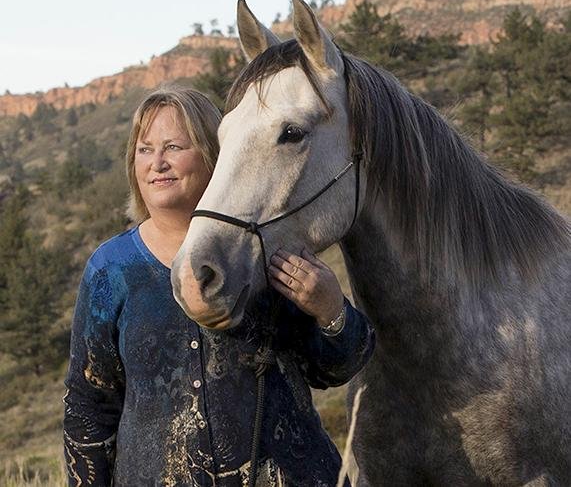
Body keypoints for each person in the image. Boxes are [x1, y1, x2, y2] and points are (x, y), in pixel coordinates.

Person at [63, 85, 375, 487]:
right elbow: (89, 407)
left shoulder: (267, 249)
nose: (157, 162)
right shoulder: (111, 270)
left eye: (174, 146)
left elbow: (335, 369)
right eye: (145, 149)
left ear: (215, 157)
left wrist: (332, 311)